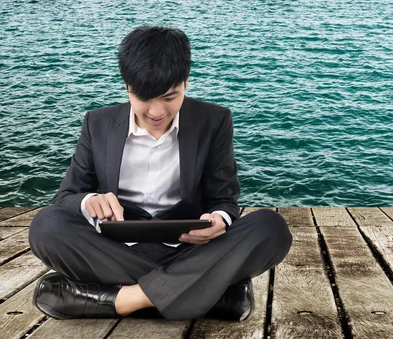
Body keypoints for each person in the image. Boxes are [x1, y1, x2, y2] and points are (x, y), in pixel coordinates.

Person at [28, 26, 293, 321]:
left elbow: (225, 199)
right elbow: (64, 198)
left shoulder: (214, 120)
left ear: (185, 83)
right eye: (145, 98)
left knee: (270, 227)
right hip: (115, 251)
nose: (157, 112)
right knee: (46, 225)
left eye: (170, 97)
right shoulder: (98, 123)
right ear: (127, 86)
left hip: (190, 250)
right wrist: (88, 200)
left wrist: (219, 219)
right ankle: (210, 294)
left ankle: (124, 299)